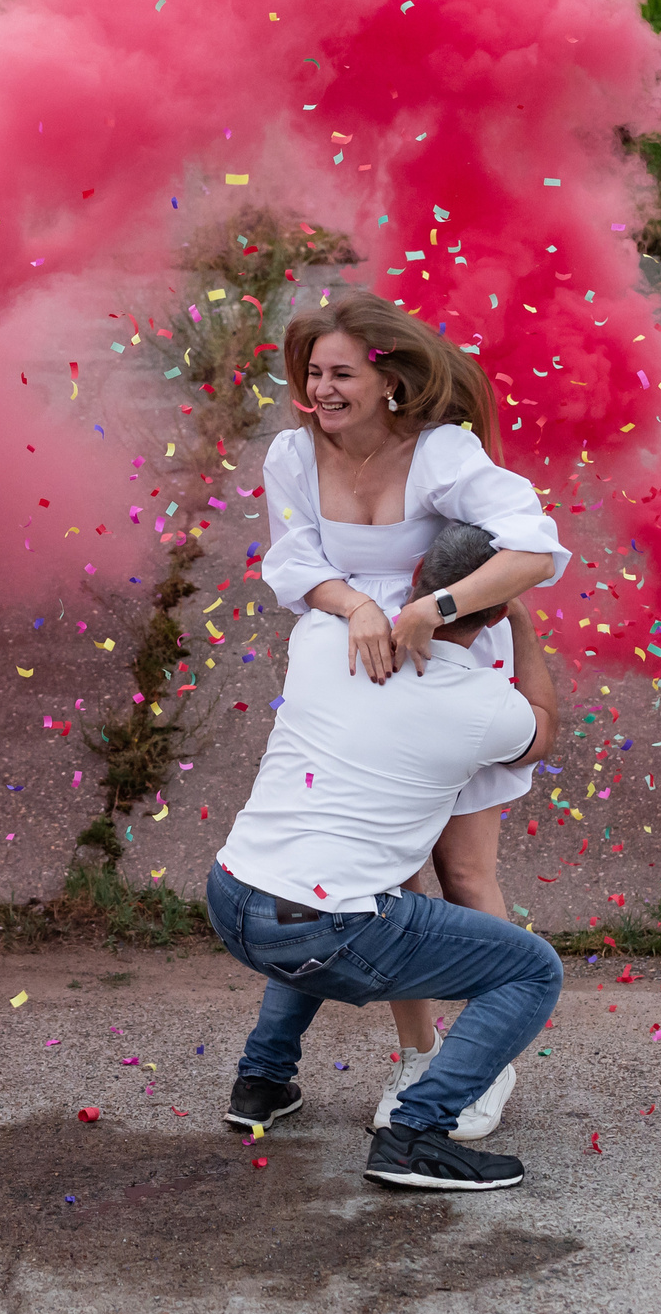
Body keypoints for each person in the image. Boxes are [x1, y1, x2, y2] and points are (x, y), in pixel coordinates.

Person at [259, 288, 568, 1136]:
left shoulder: (440, 452)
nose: (322, 389)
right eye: (314, 373)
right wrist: (356, 605)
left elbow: (534, 547)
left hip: (452, 658)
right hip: (358, 665)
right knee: (386, 876)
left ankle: (486, 1059)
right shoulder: (291, 456)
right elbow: (291, 564)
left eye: (342, 374)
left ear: (389, 381)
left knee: (465, 871)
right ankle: (421, 1054)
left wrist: (438, 604)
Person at [210, 522, 566, 1190]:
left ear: (416, 577)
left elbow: (319, 587)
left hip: (232, 895)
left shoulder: (319, 639)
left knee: (312, 893)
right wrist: (517, 614)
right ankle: (416, 1133)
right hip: (327, 929)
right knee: (533, 970)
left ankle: (262, 1077)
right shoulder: (486, 706)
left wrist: (363, 604)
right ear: (489, 612)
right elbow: (542, 723)